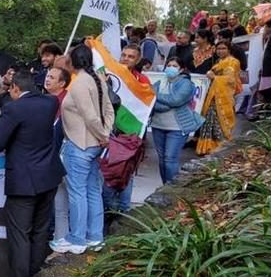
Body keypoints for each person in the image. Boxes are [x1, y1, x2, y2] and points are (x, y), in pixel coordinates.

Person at [0, 71, 64, 277]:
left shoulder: (14, 109)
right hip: (48, 176)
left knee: (19, 236)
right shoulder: (50, 102)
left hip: (23, 181)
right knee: (39, 233)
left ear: (16, 88)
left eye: (11, 90)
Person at [50, 43, 114, 254]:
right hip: (94, 144)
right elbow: (108, 111)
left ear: (73, 61)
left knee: (77, 192)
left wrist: (103, 135)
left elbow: (90, 116)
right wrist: (105, 133)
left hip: (80, 144)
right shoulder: (98, 79)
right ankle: (95, 235)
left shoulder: (79, 84)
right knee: (92, 189)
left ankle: (77, 238)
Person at [103, 44, 150, 214]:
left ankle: (124, 211)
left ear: (137, 60)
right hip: (110, 131)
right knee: (108, 171)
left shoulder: (142, 82)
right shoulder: (110, 76)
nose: (126, 58)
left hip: (129, 136)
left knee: (125, 173)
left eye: (131, 56)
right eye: (123, 55)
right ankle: (108, 208)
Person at [151, 59, 203, 183]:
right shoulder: (159, 83)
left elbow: (176, 100)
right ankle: (165, 187)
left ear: (181, 69)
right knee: (162, 159)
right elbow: (150, 100)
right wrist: (165, 102)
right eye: (168, 65)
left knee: (170, 159)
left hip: (177, 127)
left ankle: (171, 190)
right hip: (158, 125)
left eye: (175, 66)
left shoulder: (186, 84)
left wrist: (157, 97)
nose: (171, 68)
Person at [195, 40, 243, 155]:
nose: (220, 51)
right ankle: (206, 146)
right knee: (209, 120)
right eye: (218, 49)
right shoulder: (219, 62)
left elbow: (231, 80)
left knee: (219, 121)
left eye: (223, 48)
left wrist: (214, 78)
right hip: (213, 95)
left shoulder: (233, 62)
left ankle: (220, 146)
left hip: (223, 97)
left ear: (229, 50)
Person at [44, 66, 71, 241]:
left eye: (52, 77)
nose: (47, 79)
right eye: (47, 75)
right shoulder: (47, 100)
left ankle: (66, 237)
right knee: (57, 202)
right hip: (50, 157)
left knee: (65, 202)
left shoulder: (66, 102)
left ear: (62, 83)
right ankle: (60, 237)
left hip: (63, 156)